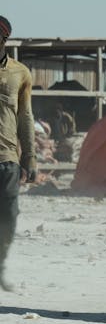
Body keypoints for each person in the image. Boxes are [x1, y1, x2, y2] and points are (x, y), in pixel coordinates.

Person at [0, 15, 36, 292]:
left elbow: (25, 116)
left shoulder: (20, 73)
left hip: (7, 158)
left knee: (9, 216)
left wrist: (30, 157)